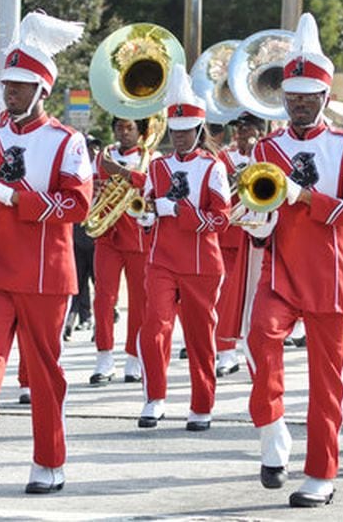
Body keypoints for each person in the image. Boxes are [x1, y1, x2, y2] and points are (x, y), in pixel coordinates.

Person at [0, 12, 91, 493]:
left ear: (42, 89)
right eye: (7, 84)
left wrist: (14, 197)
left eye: (19, 85)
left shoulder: (67, 141)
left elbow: (78, 204)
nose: (9, 92)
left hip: (45, 272)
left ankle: (49, 462)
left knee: (45, 369)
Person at [243, 13, 343, 508]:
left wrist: (305, 196)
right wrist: (255, 224)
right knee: (259, 339)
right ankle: (273, 429)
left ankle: (321, 473)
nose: (297, 103)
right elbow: (259, 208)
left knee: (327, 383)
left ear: (324, 98)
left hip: (330, 276)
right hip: (279, 272)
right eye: (291, 96)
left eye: (307, 96)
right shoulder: (267, 146)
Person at [134, 64, 230, 432]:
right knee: (153, 328)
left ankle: (202, 404)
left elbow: (221, 220)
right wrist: (145, 218)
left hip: (202, 264)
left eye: (186, 132)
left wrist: (181, 211)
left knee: (199, 337)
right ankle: (154, 398)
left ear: (198, 130)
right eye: (174, 132)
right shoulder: (157, 167)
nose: (179, 138)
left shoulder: (213, 167)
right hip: (161, 260)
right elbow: (145, 206)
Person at [88, 117, 152, 385]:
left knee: (139, 301)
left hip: (136, 236)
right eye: (119, 128)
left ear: (140, 131)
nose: (123, 133)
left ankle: (133, 359)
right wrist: (96, 188)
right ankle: (104, 357)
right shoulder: (103, 155)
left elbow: (149, 184)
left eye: (129, 128)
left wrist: (119, 172)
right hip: (108, 235)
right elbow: (89, 185)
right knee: (103, 298)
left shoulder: (150, 155)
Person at [214, 112, 265, 377]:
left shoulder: (267, 156)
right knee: (225, 296)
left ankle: (254, 352)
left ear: (259, 129)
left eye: (247, 128)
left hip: (256, 236)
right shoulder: (225, 158)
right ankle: (225, 352)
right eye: (239, 128)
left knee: (257, 300)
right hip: (228, 235)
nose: (241, 133)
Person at [63, 133, 102, 340]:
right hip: (77, 233)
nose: (92, 151)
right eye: (89, 148)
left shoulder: (102, 169)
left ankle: (99, 324)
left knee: (99, 282)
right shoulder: (75, 170)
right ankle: (71, 321)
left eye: (95, 148)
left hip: (96, 235)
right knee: (78, 281)